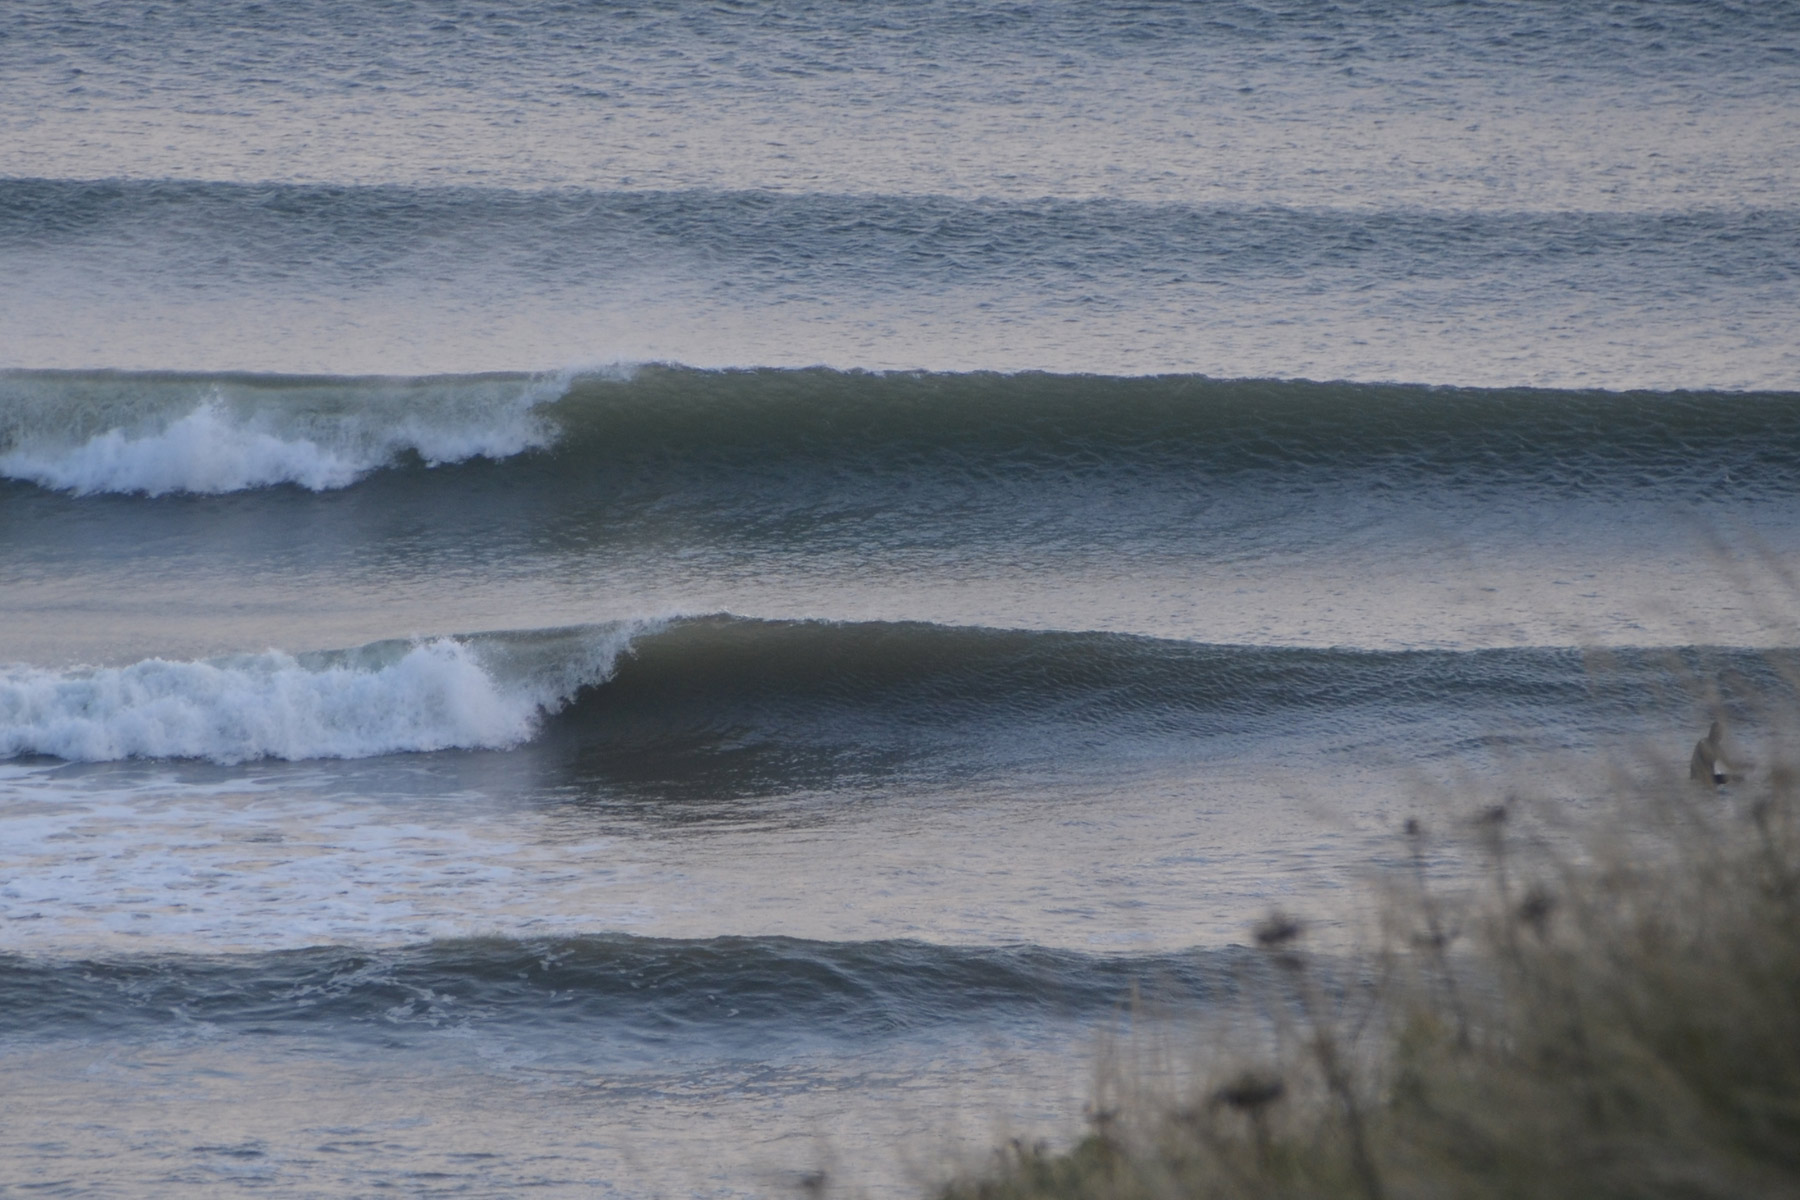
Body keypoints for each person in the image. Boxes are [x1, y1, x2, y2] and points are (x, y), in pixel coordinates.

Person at [1690, 719, 1729, 784]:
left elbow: (1729, 764)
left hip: (1709, 779)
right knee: (1730, 778)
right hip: (1699, 778)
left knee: (1737, 778)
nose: (1720, 736)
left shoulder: (1717, 748)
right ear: (1711, 733)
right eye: (1717, 733)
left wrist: (1745, 765)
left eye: (1720, 733)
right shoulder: (1703, 743)